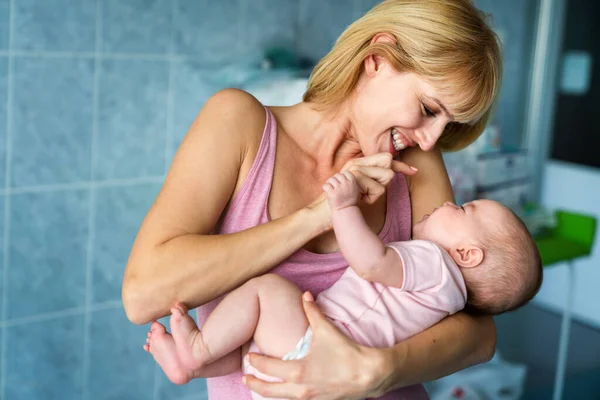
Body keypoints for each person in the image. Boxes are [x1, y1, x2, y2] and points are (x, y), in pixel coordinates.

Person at [122, 0, 503, 398]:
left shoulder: (417, 162)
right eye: (427, 109)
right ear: (377, 58)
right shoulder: (240, 124)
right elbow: (142, 295)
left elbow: (479, 334)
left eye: (448, 124)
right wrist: (316, 216)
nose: (430, 139)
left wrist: (377, 369)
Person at [142, 171, 542, 400]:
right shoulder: (449, 301)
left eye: (461, 209)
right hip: (320, 369)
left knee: (266, 291)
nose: (447, 204)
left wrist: (343, 207)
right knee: (251, 342)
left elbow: (372, 262)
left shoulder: (436, 263)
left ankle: (197, 351)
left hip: (318, 345)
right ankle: (190, 366)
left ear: (467, 255)